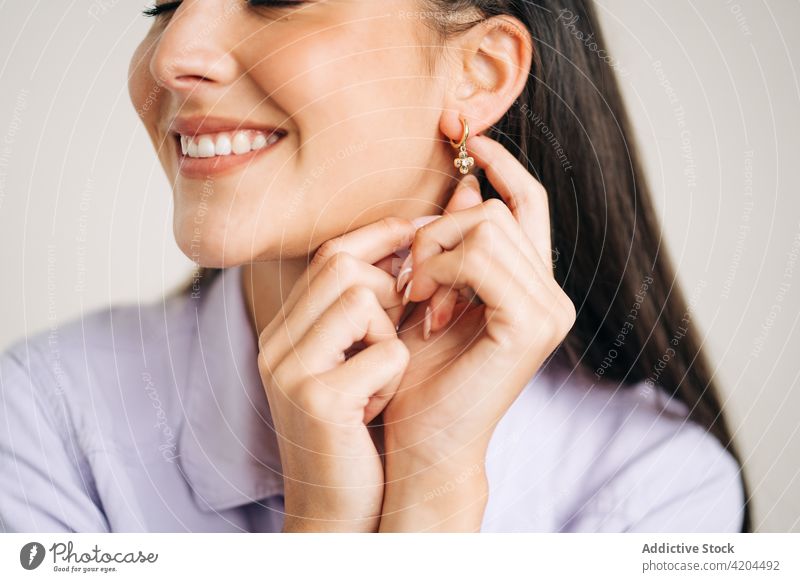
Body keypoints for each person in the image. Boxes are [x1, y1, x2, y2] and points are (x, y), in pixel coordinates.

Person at [0, 0, 748, 532]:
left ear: (480, 74)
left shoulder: (657, 490)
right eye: (164, 2)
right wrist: (325, 526)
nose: (170, 55)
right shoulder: (40, 418)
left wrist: (436, 484)